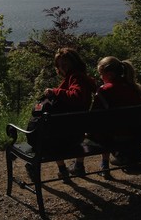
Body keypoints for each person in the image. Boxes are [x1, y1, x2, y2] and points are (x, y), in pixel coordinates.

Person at [26, 47, 97, 180]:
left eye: (64, 64)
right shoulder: (83, 78)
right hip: (76, 134)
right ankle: (72, 168)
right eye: (59, 65)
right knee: (54, 129)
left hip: (65, 138)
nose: (62, 68)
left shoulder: (75, 77)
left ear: (73, 63)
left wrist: (54, 91)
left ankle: (60, 169)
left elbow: (76, 96)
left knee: (44, 134)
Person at [75, 56, 141, 178]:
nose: (100, 78)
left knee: (90, 131)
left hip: (112, 137)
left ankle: (82, 166)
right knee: (106, 127)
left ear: (110, 74)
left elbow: (93, 117)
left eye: (101, 74)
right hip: (135, 133)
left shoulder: (105, 90)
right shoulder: (133, 87)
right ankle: (108, 162)